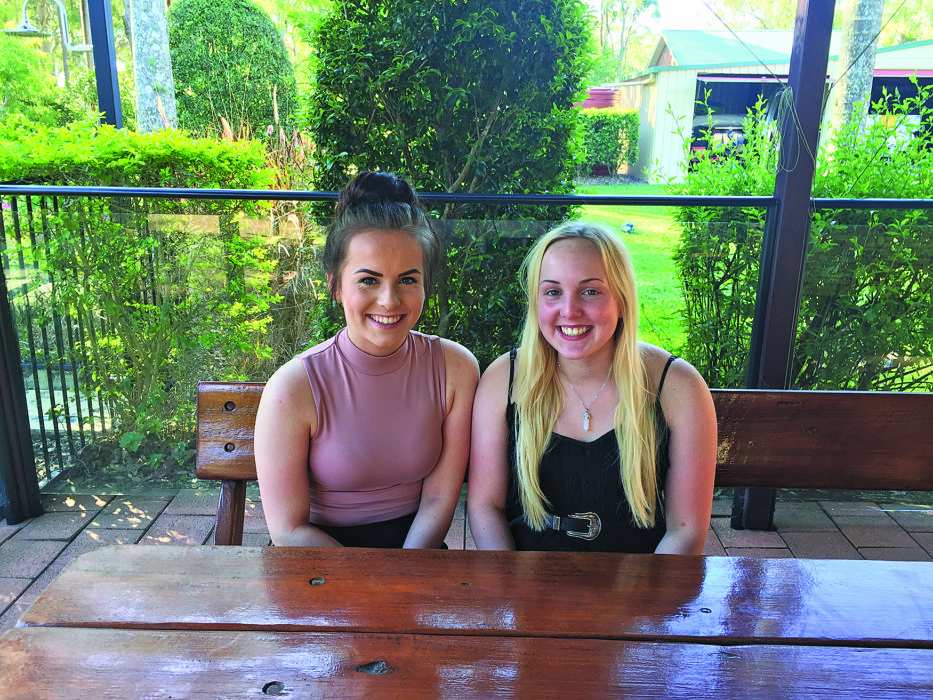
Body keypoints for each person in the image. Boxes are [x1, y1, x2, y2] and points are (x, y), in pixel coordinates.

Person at [255, 171, 479, 548]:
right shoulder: (293, 388)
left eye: (408, 280)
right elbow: (288, 530)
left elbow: (439, 499)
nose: (389, 301)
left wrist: (402, 574)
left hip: (418, 555)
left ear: (426, 283)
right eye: (368, 280)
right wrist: (369, 582)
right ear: (335, 286)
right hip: (320, 562)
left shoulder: (455, 369)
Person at [467, 222, 716, 554]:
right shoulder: (505, 378)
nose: (570, 311)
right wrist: (510, 582)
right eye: (552, 292)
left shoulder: (677, 386)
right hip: (527, 578)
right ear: (536, 302)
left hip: (641, 579)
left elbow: (685, 531)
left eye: (591, 292)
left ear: (622, 300)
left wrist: (646, 591)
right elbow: (485, 508)